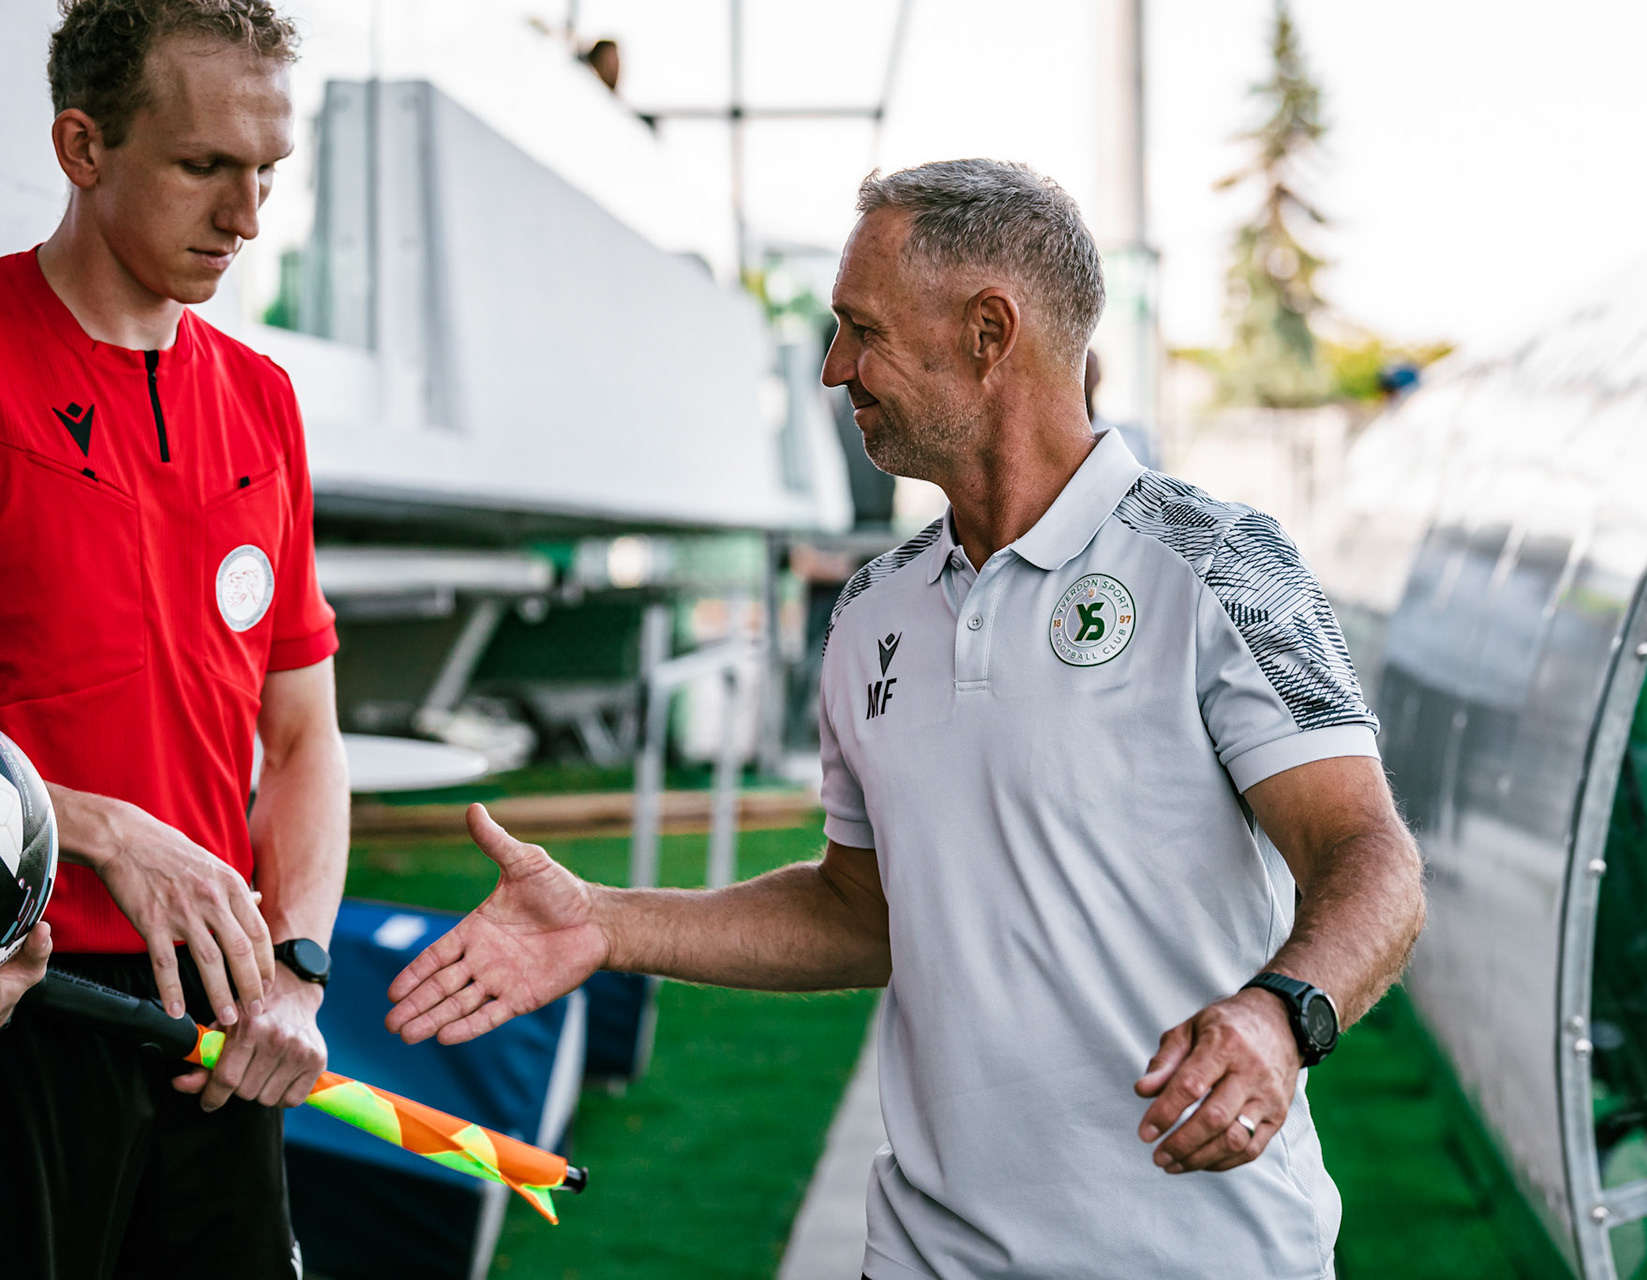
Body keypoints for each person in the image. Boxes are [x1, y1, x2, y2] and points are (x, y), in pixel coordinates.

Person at [388, 159, 1425, 1278]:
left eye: (859, 329)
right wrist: (606, 920)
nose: (837, 369)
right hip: (929, 1251)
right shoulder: (872, 611)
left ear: (990, 332)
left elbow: (1371, 856)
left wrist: (1282, 1016)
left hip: (1207, 1253)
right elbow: (862, 910)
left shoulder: (1223, 562)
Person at [0, 2, 349, 1276]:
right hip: (23, 1000)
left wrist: (298, 971)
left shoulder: (262, 401)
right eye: (206, 166)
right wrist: (94, 824)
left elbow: (303, 736)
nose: (247, 220)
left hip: (219, 1024)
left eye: (267, 174)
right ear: (82, 147)